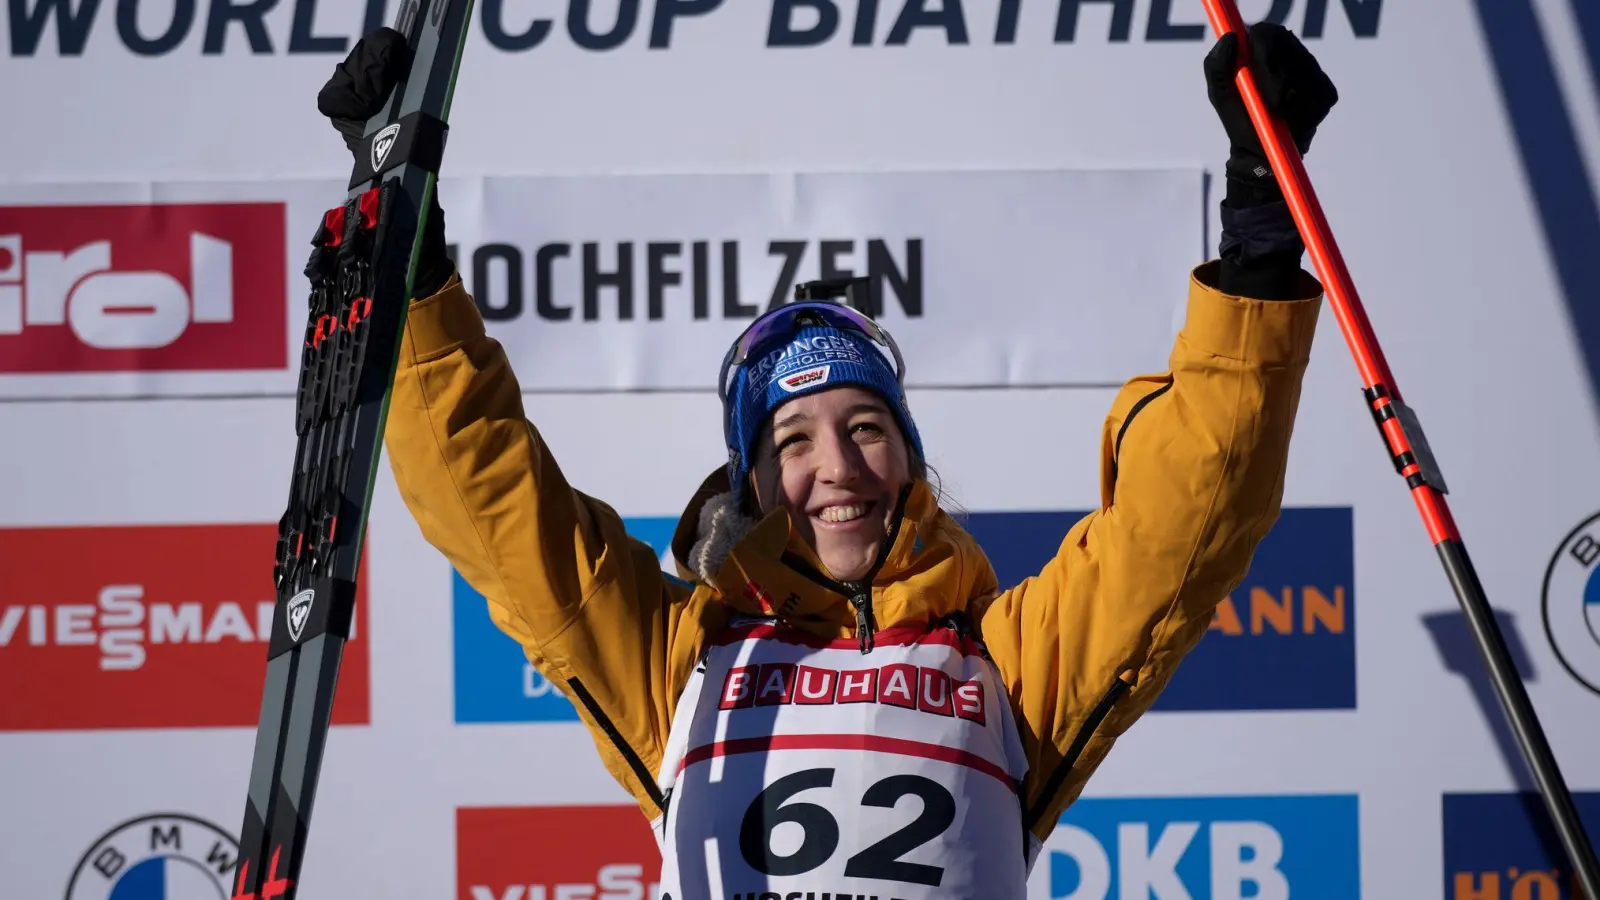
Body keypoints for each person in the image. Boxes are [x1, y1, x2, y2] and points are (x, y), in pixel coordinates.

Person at [319, 21, 1336, 898]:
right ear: (751, 483)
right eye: (793, 441)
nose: (837, 467)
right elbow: (491, 500)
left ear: (907, 457)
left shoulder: (1009, 665)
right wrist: (412, 267)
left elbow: (1183, 525)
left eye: (865, 428)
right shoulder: (678, 661)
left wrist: (1258, 231)